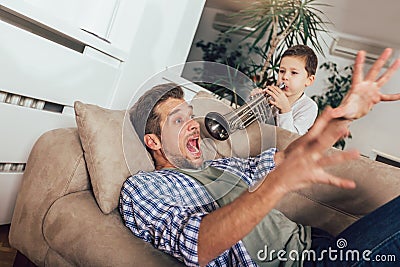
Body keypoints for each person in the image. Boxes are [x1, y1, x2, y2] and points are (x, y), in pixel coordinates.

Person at [119, 48, 400, 267]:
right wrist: (276, 184)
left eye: (191, 116)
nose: (194, 124)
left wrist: (343, 116)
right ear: (153, 141)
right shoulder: (143, 187)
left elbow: (289, 155)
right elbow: (197, 248)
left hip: (314, 241)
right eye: (178, 120)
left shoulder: (219, 165)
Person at [252, 45, 318, 135]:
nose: (285, 77)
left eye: (294, 73)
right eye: (282, 71)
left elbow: (290, 141)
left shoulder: (309, 107)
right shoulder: (271, 97)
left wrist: (285, 110)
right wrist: (253, 102)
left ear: (309, 80)